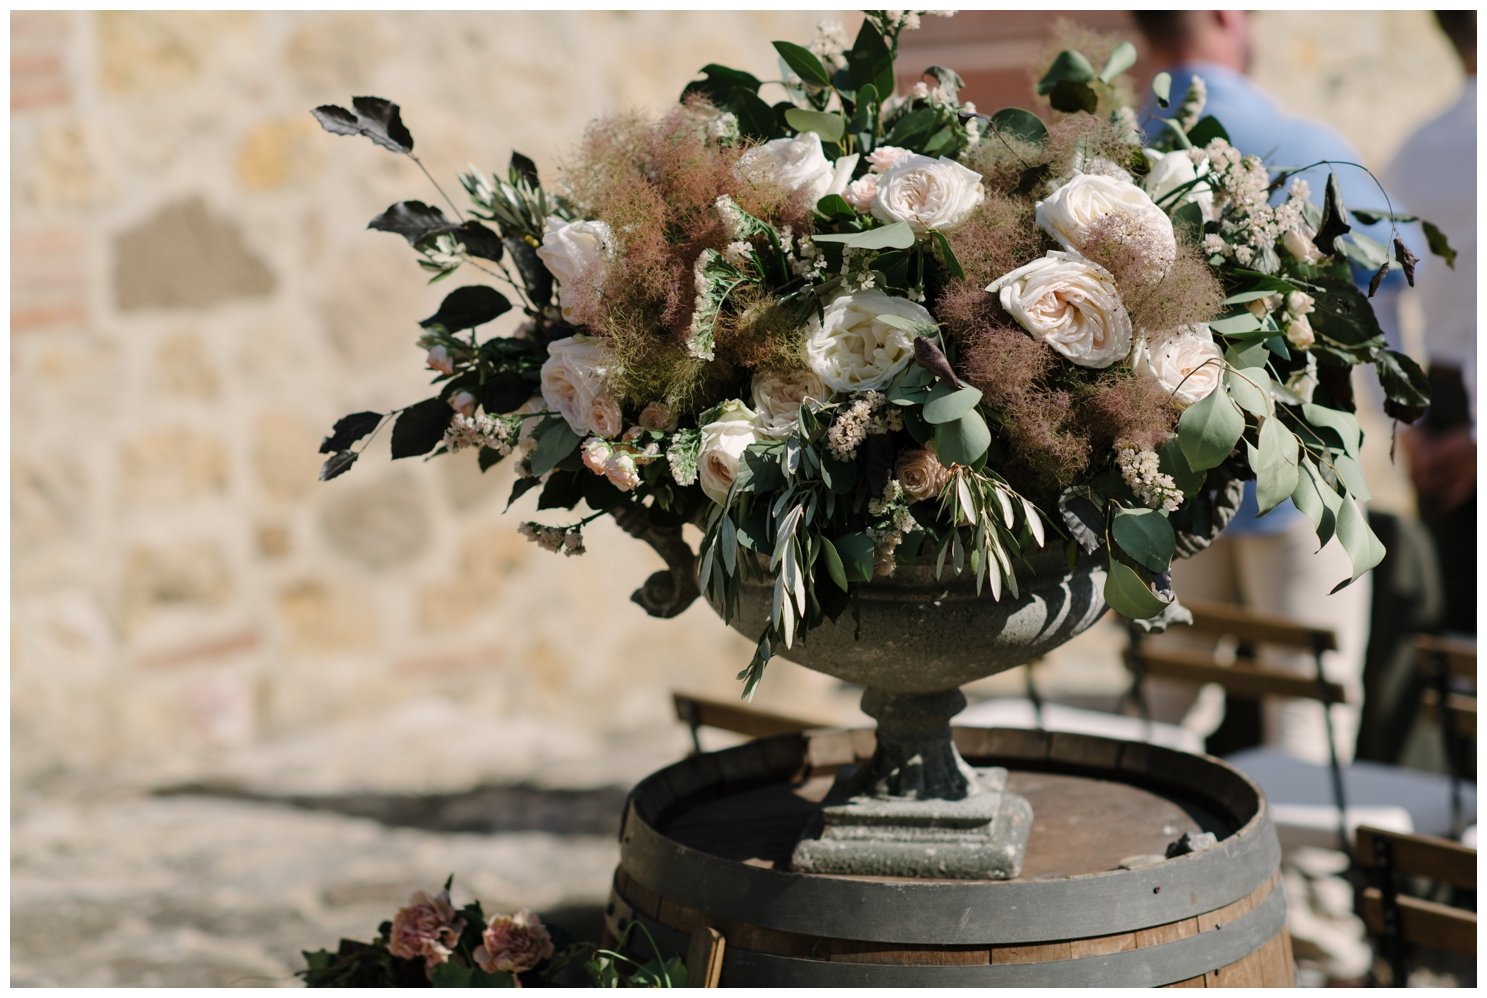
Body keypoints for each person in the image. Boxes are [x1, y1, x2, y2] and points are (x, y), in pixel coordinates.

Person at [1132, 10, 1403, 769]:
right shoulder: (1312, 149)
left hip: (1162, 483)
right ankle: (1313, 891)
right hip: (1297, 484)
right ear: (1224, 14)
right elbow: (1374, 314)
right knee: (1307, 728)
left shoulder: (1111, 158)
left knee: (1162, 720)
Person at [1386, 11, 1476, 637]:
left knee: (1459, 623)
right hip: (1450, 415)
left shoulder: (1418, 147)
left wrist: (1405, 417)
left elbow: (1379, 291)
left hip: (1439, 402)